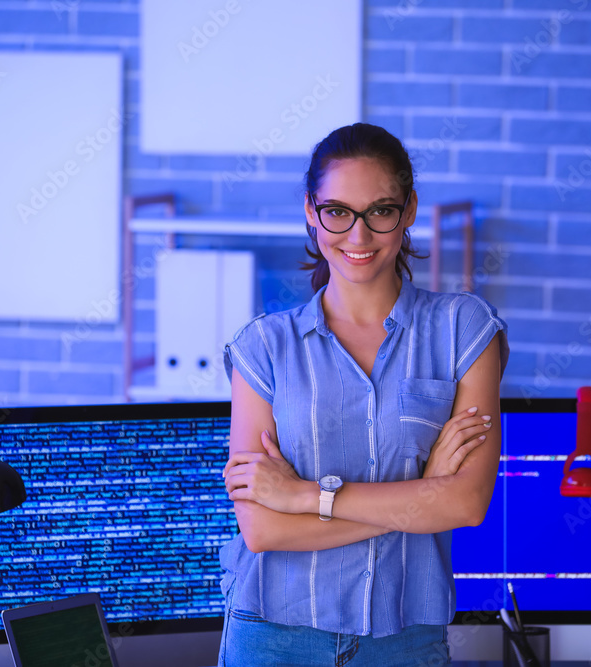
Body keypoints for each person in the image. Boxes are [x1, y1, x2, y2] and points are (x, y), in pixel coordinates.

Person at [218, 123, 508, 666]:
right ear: (311, 210)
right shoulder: (263, 347)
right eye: (337, 211)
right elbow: (262, 528)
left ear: (410, 209)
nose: (357, 235)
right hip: (274, 637)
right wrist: (422, 493)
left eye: (380, 211)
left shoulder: (463, 330)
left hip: (404, 638)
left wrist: (307, 497)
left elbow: (466, 504)